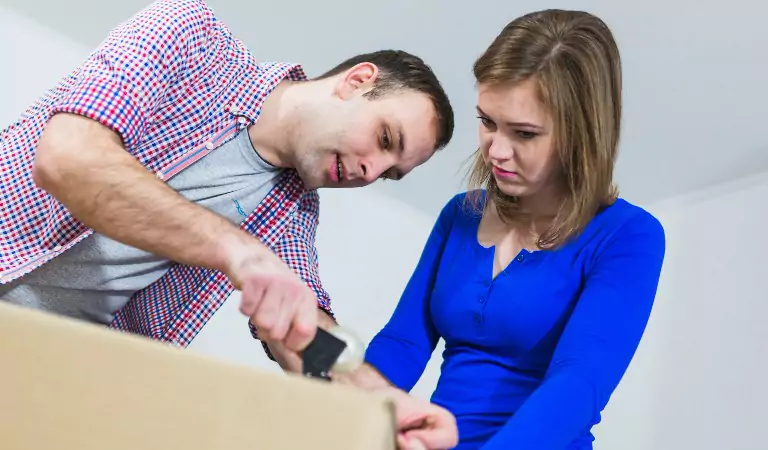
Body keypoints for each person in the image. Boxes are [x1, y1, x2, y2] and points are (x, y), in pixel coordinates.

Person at [0, 0, 458, 448]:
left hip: (37, 371)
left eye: (390, 172)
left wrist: (381, 402)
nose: (371, 171)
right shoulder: (189, 35)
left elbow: (303, 333)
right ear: (356, 82)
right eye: (384, 139)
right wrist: (238, 251)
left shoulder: (291, 212)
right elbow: (69, 160)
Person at [302, 8, 666, 449]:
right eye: (488, 121)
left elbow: (578, 387)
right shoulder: (461, 214)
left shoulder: (628, 236)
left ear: (581, 132)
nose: (497, 150)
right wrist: (346, 410)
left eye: (525, 133)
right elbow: (403, 342)